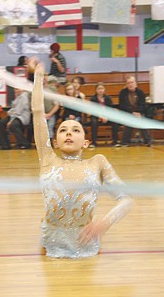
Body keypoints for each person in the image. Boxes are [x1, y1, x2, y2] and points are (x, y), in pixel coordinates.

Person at [31, 63, 133, 259]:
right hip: (52, 244)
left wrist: (103, 223)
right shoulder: (48, 158)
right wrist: (37, 78)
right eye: (63, 130)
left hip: (86, 243)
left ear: (86, 143)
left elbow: (127, 200)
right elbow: (37, 112)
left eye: (75, 130)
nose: (68, 133)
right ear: (55, 141)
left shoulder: (97, 162)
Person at [118, 76, 152, 147]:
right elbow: (122, 106)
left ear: (135, 83)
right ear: (126, 85)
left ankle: (148, 141)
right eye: (128, 83)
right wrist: (131, 113)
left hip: (139, 113)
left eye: (132, 82)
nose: (130, 84)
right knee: (130, 120)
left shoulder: (140, 92)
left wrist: (138, 112)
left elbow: (143, 105)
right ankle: (125, 142)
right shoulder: (122, 93)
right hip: (127, 113)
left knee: (142, 120)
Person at [88, 82, 115, 148]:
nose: (100, 90)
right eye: (98, 89)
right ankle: (94, 142)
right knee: (94, 121)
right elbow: (93, 110)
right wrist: (101, 116)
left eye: (102, 88)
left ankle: (115, 141)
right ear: (96, 90)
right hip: (97, 116)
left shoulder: (108, 98)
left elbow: (110, 110)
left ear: (104, 90)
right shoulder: (93, 99)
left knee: (115, 121)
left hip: (107, 116)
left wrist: (106, 117)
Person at [44, 75, 60, 140]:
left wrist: (49, 114)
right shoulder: (34, 90)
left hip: (51, 114)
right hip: (39, 114)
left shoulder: (53, 90)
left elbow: (56, 105)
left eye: (44, 79)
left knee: (50, 126)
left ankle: (50, 142)